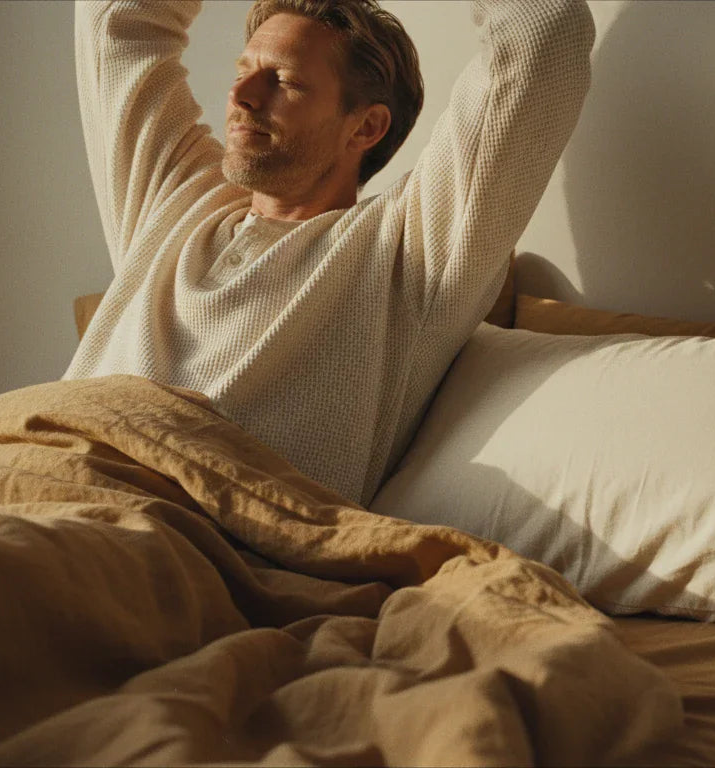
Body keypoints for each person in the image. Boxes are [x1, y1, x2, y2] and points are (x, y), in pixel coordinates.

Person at [64, 0, 595, 506]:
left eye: (285, 81)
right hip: (32, 467)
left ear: (365, 127)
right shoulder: (179, 203)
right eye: (242, 70)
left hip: (169, 537)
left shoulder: (404, 252)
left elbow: (545, 34)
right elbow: (116, 19)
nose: (243, 95)